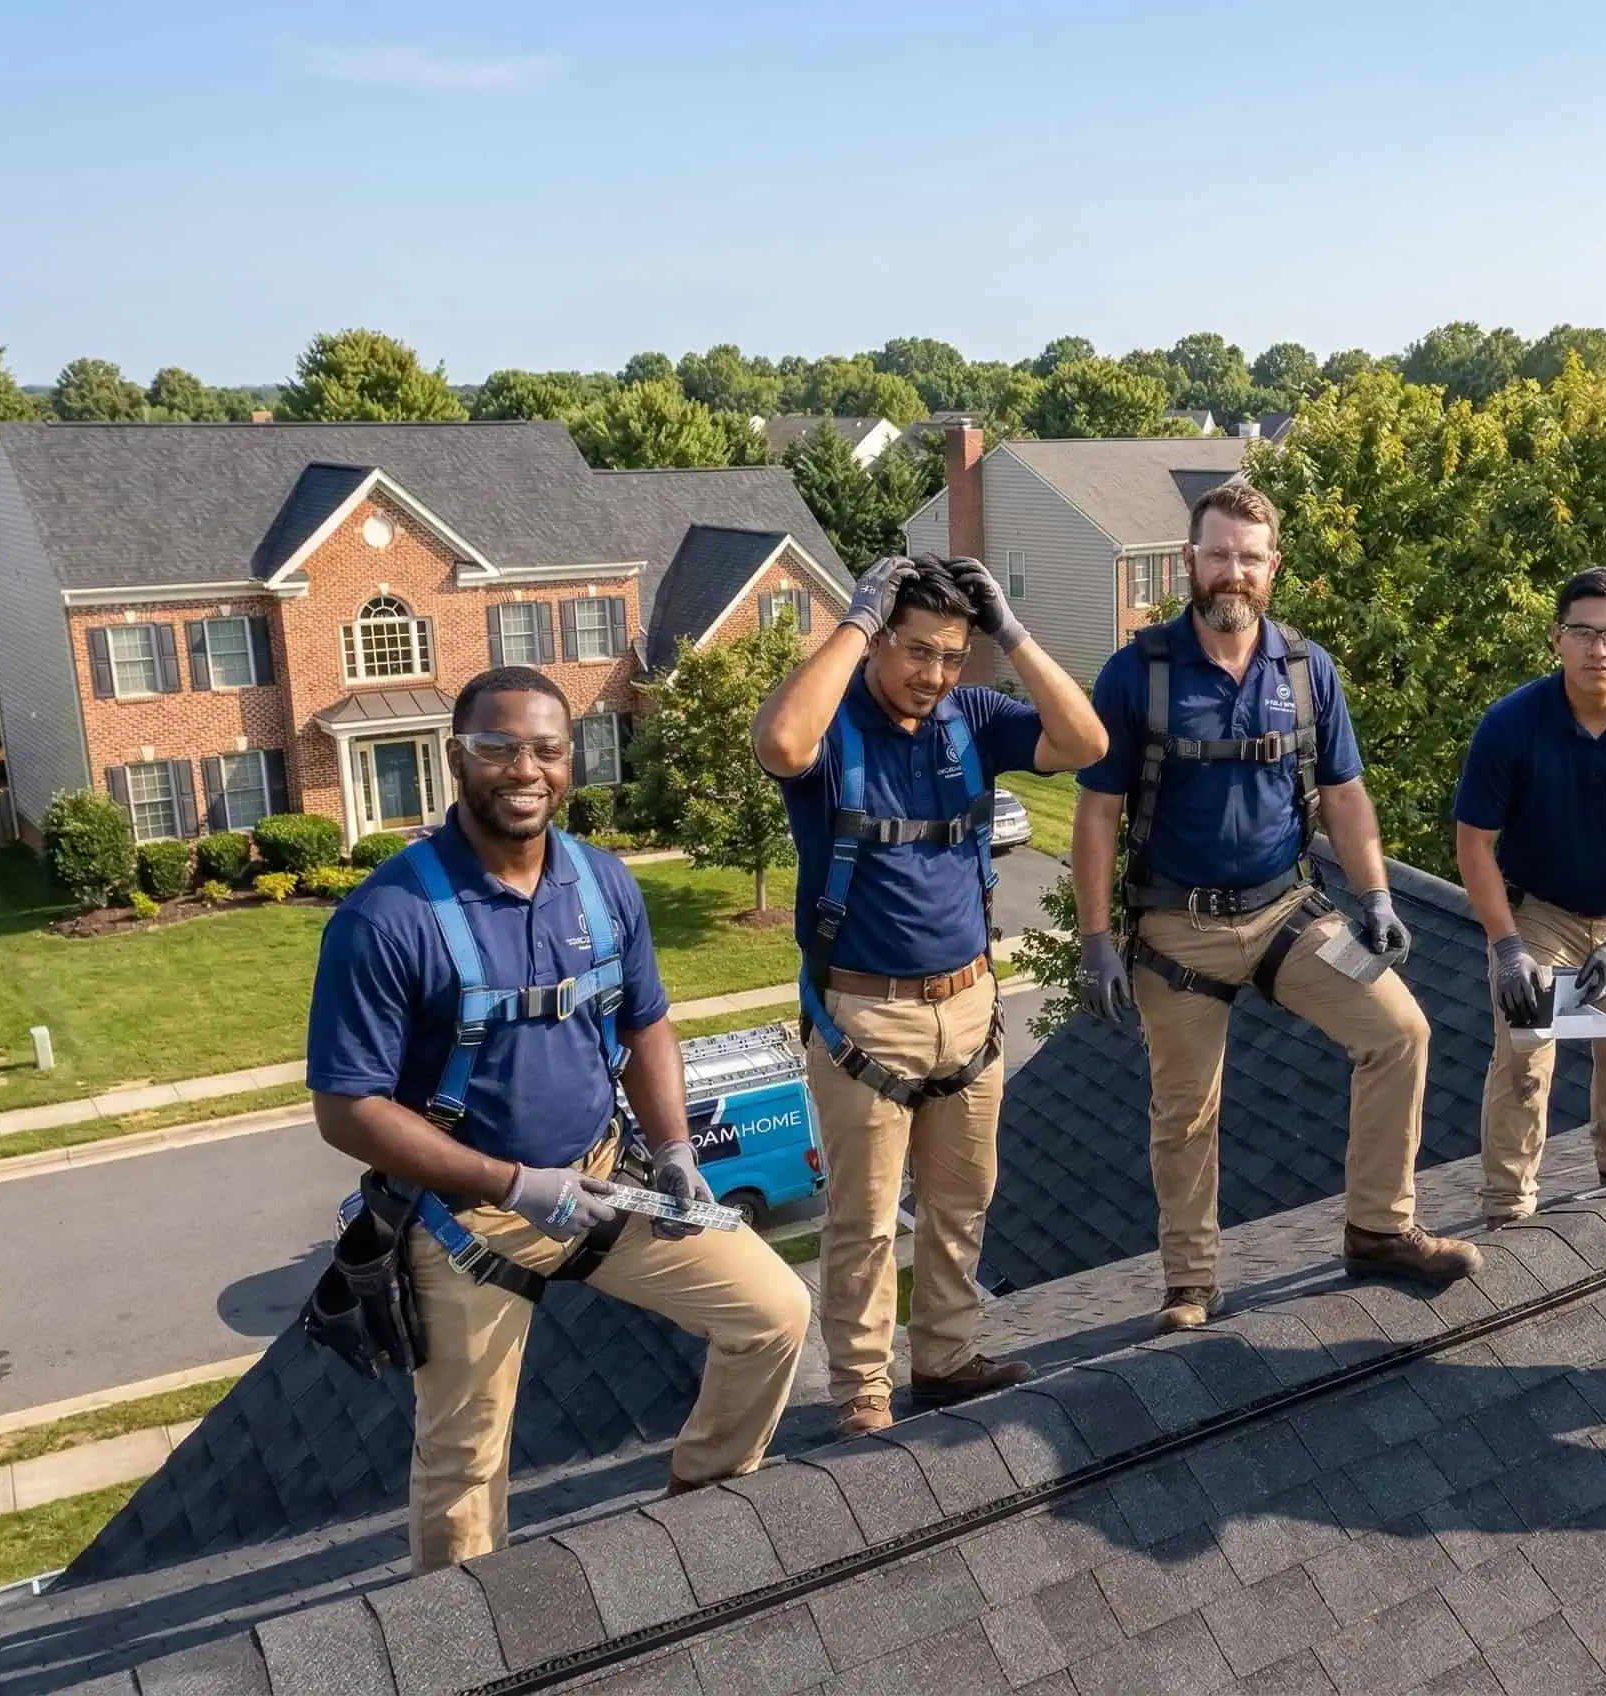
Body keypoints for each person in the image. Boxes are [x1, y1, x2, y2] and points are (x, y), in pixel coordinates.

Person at [308, 667, 812, 1573]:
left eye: (545, 748)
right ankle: (468, 1638)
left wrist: (672, 1149)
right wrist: (513, 1184)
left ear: (570, 760)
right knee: (464, 1459)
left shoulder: (600, 883)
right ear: (456, 757)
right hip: (467, 1216)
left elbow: (646, 1019)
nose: (523, 768)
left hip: (606, 1176)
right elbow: (347, 1110)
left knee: (774, 1311)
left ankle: (701, 1505)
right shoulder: (388, 918)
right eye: (497, 747)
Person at [1071, 481, 1482, 1335]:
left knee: (1399, 1030)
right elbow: (1097, 813)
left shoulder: (1305, 668)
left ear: (1273, 567)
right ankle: (1189, 1283)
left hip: (1289, 914)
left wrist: (1374, 896)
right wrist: (1096, 941)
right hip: (1177, 928)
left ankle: (1378, 1227)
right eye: (1217, 554)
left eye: (1249, 558)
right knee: (1186, 1111)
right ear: (1189, 561)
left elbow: (1345, 793)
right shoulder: (1136, 673)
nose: (1232, 572)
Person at [753, 553, 1105, 1438]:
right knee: (866, 1222)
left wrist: (1010, 632)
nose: (932, 674)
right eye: (915, 651)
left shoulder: (972, 718)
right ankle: (863, 1391)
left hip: (971, 1007)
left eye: (951, 656)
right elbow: (779, 745)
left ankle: (944, 1358)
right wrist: (857, 619)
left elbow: (1086, 743)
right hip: (865, 1015)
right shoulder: (834, 727)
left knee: (962, 1199)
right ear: (878, 640)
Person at [1454, 566, 1606, 1226]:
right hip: (1540, 914)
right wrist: (1508, 948)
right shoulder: (1513, 724)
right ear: (1557, 640)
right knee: (1527, 1058)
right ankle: (1508, 1201)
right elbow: (1474, 844)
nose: (1600, 649)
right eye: (1584, 633)